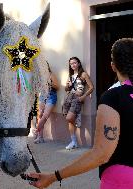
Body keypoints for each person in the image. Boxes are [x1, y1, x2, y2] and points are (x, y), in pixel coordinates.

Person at [28, 38, 133, 189]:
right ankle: (72, 140)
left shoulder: (113, 96)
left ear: (113, 65)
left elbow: (101, 154)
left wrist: (53, 177)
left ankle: (73, 140)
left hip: (121, 180)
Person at [62, 57, 94, 150]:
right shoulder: (71, 75)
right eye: (71, 64)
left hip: (77, 98)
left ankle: (77, 116)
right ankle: (73, 142)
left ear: (79, 63)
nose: (73, 65)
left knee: (69, 118)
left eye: (74, 63)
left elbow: (91, 87)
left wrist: (83, 96)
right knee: (68, 119)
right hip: (69, 98)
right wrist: (67, 86)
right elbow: (66, 89)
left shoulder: (83, 74)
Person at [33, 63, 59, 143]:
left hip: (51, 96)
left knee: (45, 115)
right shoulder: (39, 76)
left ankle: (36, 129)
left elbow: (57, 87)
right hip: (42, 96)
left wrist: (49, 83)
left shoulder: (51, 75)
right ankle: (40, 137)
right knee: (40, 115)